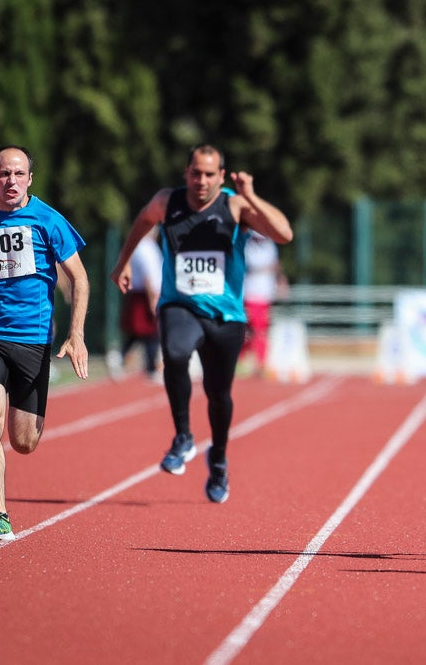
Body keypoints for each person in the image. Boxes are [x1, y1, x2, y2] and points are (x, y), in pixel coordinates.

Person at [110, 143, 293, 503]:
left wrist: (252, 195)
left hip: (226, 316)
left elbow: (284, 234)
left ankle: (219, 459)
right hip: (180, 305)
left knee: (219, 395)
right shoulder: (168, 202)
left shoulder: (236, 205)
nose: (201, 180)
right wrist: (124, 262)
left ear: (221, 176)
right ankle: (183, 436)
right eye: (196, 173)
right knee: (175, 354)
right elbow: (143, 222)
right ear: (186, 173)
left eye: (210, 174)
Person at [0, 145, 90, 541]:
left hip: (34, 341)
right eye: (4, 174)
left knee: (24, 441)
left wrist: (76, 334)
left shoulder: (48, 220)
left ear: (30, 179)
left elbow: (79, 278)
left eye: (19, 174)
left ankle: (30, 422)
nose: (11, 181)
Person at [114, 226, 162, 381]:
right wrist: (152, 300)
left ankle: (119, 358)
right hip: (145, 294)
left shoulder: (147, 246)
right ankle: (151, 368)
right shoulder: (144, 248)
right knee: (150, 333)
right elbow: (149, 277)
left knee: (138, 333)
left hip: (146, 294)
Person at [241, 229, 288, 377]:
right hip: (249, 293)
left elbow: (275, 265)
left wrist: (280, 280)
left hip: (264, 294)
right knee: (249, 330)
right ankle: (242, 359)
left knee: (260, 329)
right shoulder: (247, 247)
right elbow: (250, 265)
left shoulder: (269, 246)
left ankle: (260, 362)